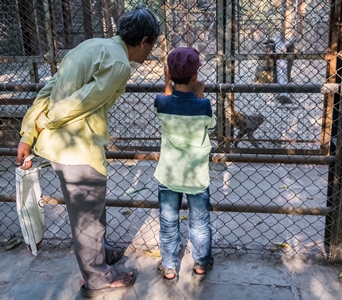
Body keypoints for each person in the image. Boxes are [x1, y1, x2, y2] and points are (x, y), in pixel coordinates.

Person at [15, 7, 160, 298]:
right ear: (144, 40)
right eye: (152, 45)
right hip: (78, 149)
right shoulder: (119, 64)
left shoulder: (92, 45)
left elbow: (50, 88)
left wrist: (28, 132)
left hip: (56, 146)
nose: (150, 52)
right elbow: (81, 102)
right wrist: (46, 120)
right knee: (87, 219)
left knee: (91, 209)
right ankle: (97, 277)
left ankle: (102, 253)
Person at [153, 47, 216, 286]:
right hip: (196, 176)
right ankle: (200, 262)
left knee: (168, 222)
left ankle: (169, 266)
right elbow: (211, 125)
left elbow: (166, 103)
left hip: (169, 175)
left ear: (169, 73)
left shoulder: (162, 102)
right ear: (195, 76)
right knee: (200, 222)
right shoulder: (204, 105)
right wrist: (199, 96)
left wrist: (168, 84)